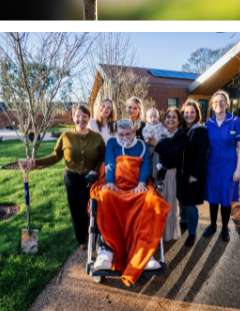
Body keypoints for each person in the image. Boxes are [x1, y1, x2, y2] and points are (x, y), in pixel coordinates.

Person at [90, 119, 171, 286]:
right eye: (121, 134)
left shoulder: (141, 145)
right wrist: (110, 182)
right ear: (117, 133)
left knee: (150, 200)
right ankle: (106, 249)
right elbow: (110, 162)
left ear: (134, 132)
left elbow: (145, 166)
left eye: (128, 134)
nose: (125, 138)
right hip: (117, 183)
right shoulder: (112, 142)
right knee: (105, 196)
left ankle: (145, 253)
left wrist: (142, 183)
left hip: (136, 184)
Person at [23, 104, 105, 248]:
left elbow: (102, 157)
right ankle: (83, 240)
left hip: (92, 179)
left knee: (93, 208)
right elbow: (55, 156)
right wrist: (36, 162)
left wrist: (96, 170)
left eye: (84, 116)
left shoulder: (97, 138)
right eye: (78, 116)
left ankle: (95, 235)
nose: (81, 119)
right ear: (73, 118)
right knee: (76, 210)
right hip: (72, 179)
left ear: (89, 118)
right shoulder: (65, 137)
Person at [204, 90, 240, 241]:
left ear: (227, 103)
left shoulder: (235, 121)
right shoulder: (208, 124)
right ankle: (213, 225)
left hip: (229, 168)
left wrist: (238, 170)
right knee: (213, 198)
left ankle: (225, 228)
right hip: (212, 167)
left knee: (226, 199)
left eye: (221, 101)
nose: (219, 104)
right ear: (212, 105)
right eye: (215, 102)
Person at [171, 100, 210, 247]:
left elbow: (201, 155)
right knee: (181, 200)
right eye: (186, 112)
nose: (189, 115)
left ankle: (192, 233)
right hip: (179, 173)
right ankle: (184, 221)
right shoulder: (180, 129)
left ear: (197, 114)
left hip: (193, 174)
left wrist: (195, 174)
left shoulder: (200, 130)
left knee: (191, 204)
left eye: (192, 112)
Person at [146, 107, 186, 242]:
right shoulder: (160, 132)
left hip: (169, 174)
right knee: (156, 204)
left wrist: (156, 144)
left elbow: (173, 154)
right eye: (168, 117)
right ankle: (155, 233)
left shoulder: (180, 137)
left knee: (167, 203)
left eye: (174, 117)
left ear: (179, 121)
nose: (170, 119)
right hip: (155, 172)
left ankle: (166, 234)